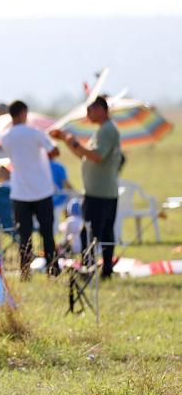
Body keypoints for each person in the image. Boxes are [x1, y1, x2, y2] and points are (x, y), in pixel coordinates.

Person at [51, 96, 122, 278]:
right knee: (103, 232)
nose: (88, 114)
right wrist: (67, 140)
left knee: (90, 233)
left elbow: (96, 156)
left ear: (101, 110)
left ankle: (89, 269)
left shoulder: (106, 130)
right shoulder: (102, 131)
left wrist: (71, 139)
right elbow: (85, 156)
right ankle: (104, 269)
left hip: (99, 193)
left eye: (90, 110)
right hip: (102, 191)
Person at [0, 100, 60, 278]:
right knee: (47, 232)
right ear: (24, 113)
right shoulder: (36, 133)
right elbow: (54, 151)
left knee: (24, 235)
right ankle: (53, 269)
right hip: (41, 189)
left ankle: (25, 272)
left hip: (20, 192)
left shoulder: (5, 137)